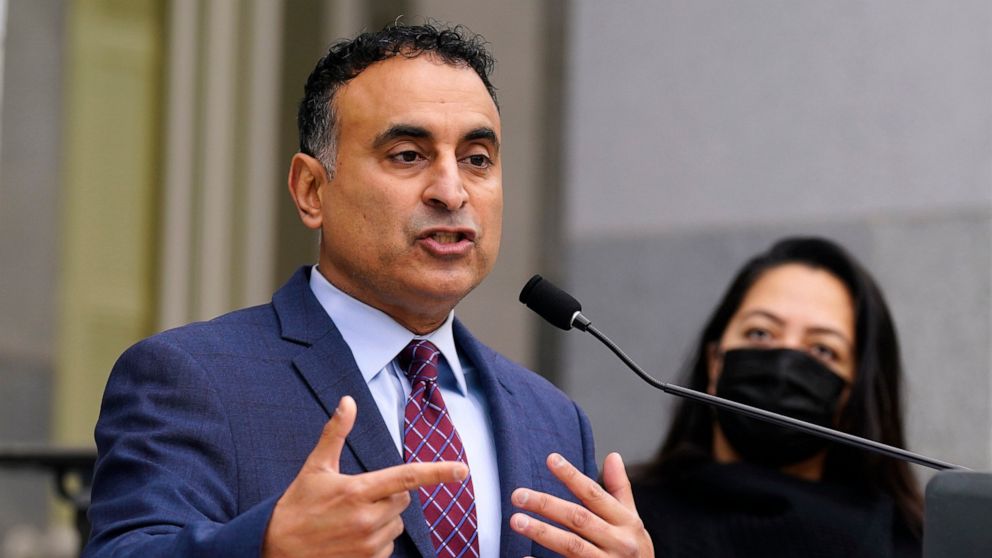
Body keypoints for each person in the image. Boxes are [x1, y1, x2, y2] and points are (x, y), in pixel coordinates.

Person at [83, 22, 651, 558]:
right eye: (408, 156)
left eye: (477, 160)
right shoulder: (193, 378)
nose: (452, 191)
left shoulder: (552, 418)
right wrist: (268, 544)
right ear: (311, 190)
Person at [631, 236, 923, 558]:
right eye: (760, 333)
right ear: (715, 363)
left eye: (822, 350)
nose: (785, 365)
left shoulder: (911, 546)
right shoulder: (622, 520)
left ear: (852, 395)